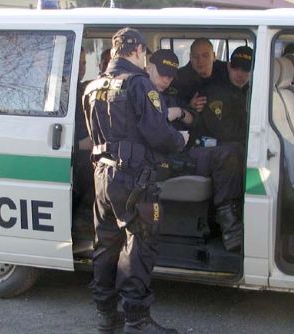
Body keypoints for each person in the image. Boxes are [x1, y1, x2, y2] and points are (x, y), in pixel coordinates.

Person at [83, 28, 186, 334]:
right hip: (134, 177)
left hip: (102, 175)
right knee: (139, 244)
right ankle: (136, 320)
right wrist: (179, 139)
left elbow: (94, 135)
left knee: (105, 244)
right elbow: (157, 133)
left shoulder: (93, 86)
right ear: (139, 50)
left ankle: (106, 317)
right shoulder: (139, 84)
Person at [147, 49, 247, 252]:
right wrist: (175, 129)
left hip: (182, 151)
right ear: (149, 67)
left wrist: (180, 112)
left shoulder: (168, 93)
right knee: (226, 154)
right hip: (161, 159)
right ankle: (229, 225)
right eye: (162, 74)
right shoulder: (142, 93)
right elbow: (153, 133)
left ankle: (230, 219)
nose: (167, 80)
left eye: (170, 76)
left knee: (231, 150)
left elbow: (192, 117)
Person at [72, 48, 94, 210]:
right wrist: (78, 144)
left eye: (84, 63)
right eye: (78, 63)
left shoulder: (82, 88)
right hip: (74, 158)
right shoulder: (58, 92)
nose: (81, 68)